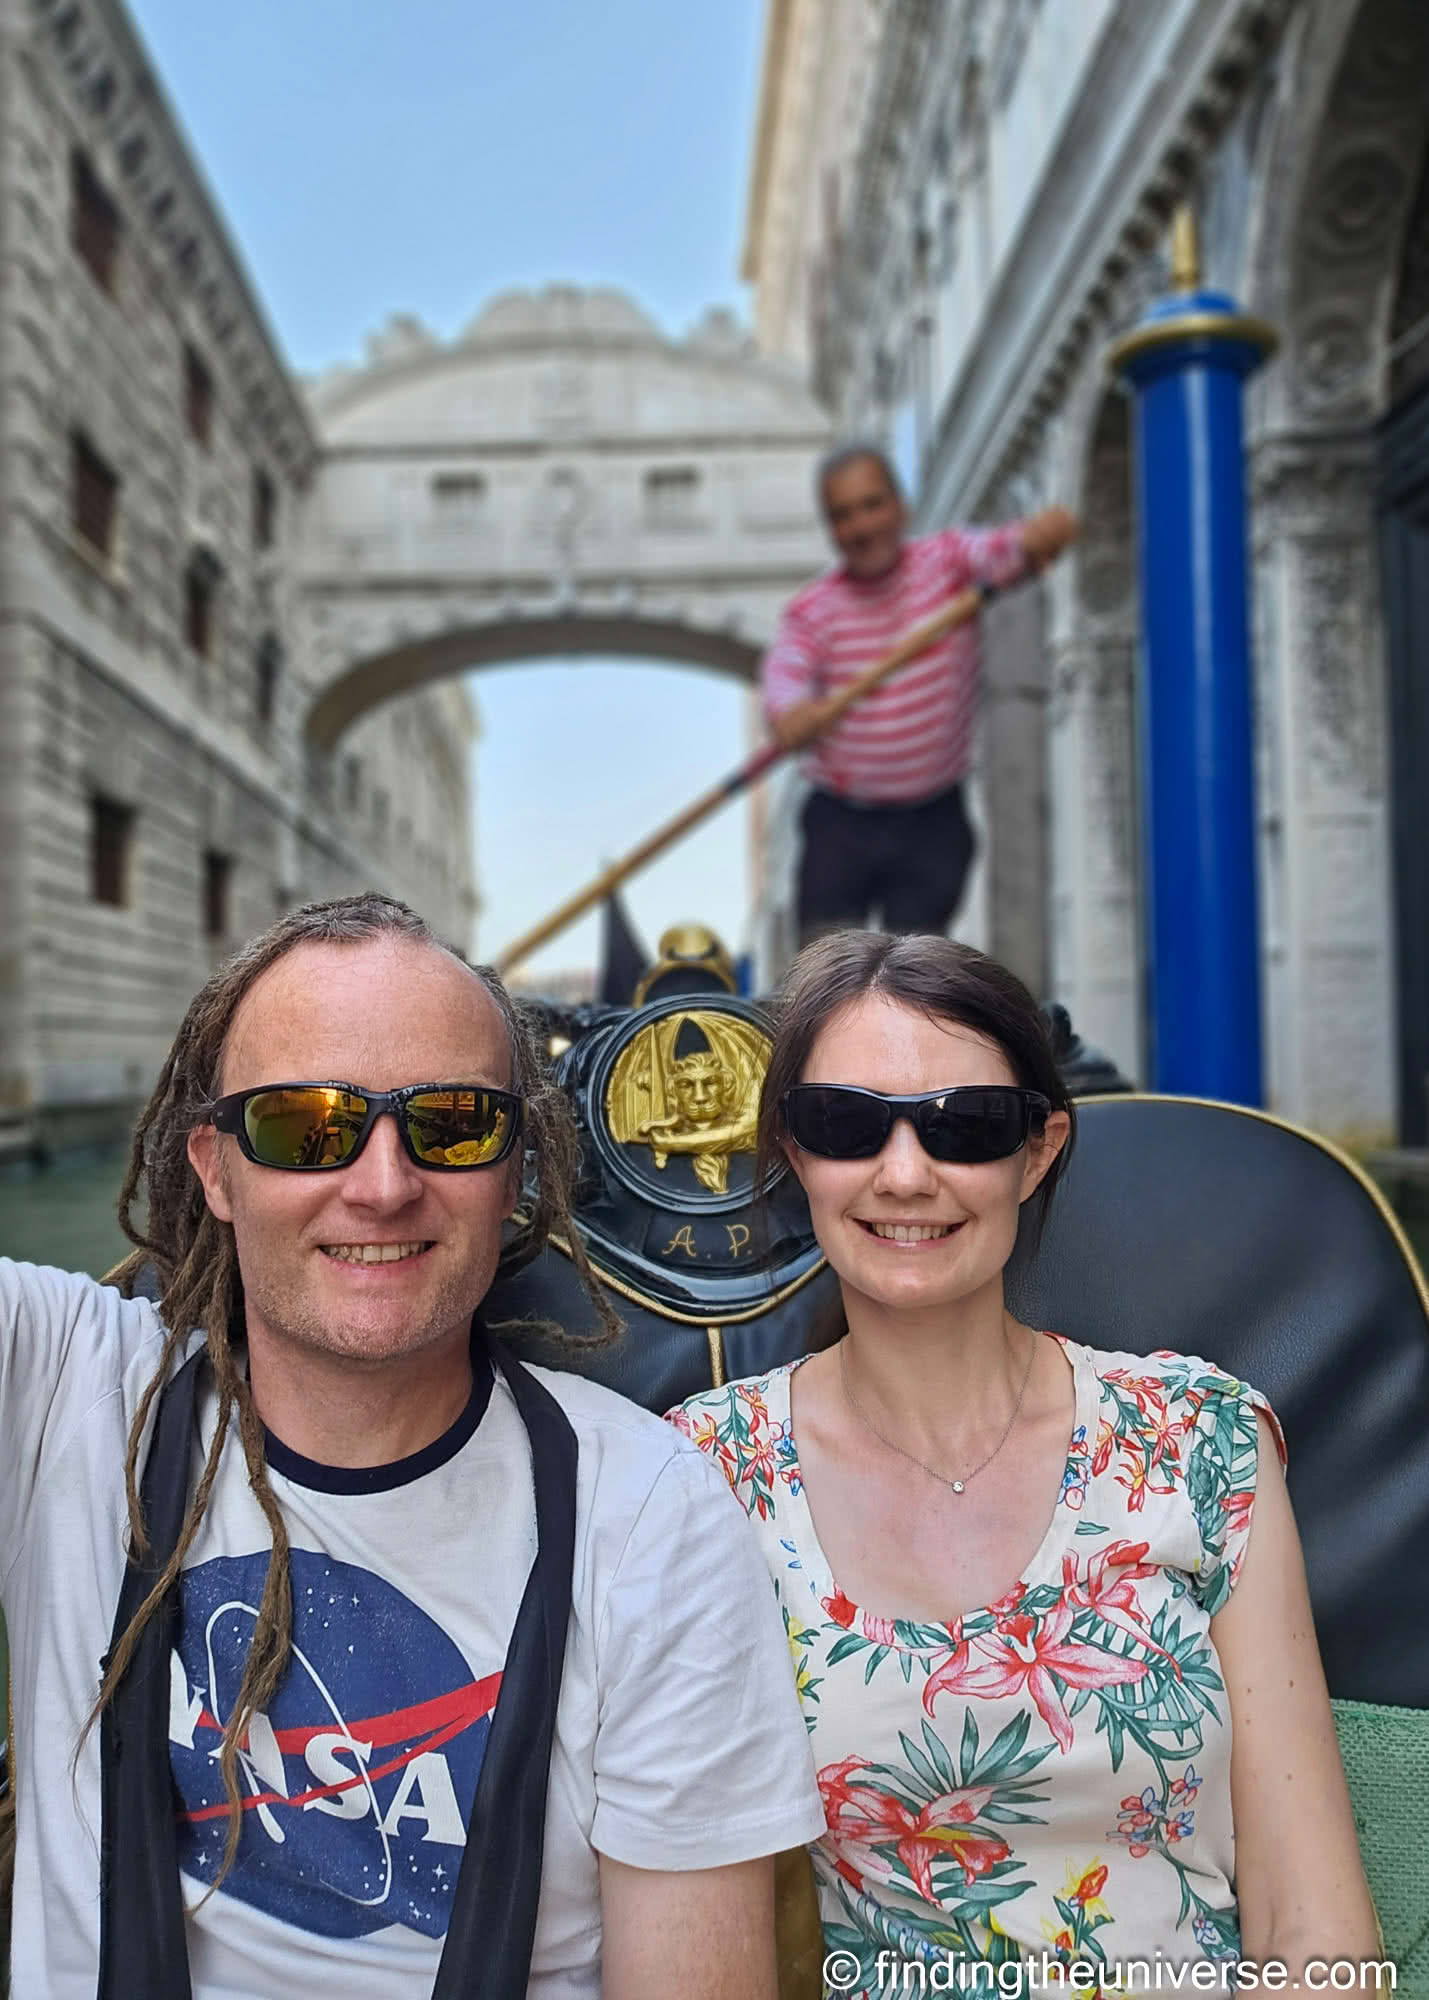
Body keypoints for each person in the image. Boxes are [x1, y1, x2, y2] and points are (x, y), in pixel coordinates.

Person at [0, 893, 824, 1998]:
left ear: (515, 1165)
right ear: (215, 1166)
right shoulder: (64, 1388)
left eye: (451, 1122)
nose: (384, 1184)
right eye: (305, 1125)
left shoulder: (651, 1518)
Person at [670, 930, 1381, 1993]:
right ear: (793, 1149)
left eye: (964, 1126)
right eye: (848, 1123)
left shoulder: (1200, 1442)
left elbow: (1311, 1919)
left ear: (1037, 1149)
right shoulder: (701, 1476)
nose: (905, 1172)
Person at [762, 445, 1078, 947]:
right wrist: (790, 713)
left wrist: (1034, 538)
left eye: (872, 505)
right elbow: (785, 676)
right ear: (830, 529)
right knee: (824, 967)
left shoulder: (950, 562)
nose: (862, 526)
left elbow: (1002, 551)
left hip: (933, 817)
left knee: (918, 972)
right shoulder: (812, 610)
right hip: (842, 820)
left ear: (900, 507)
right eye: (843, 515)